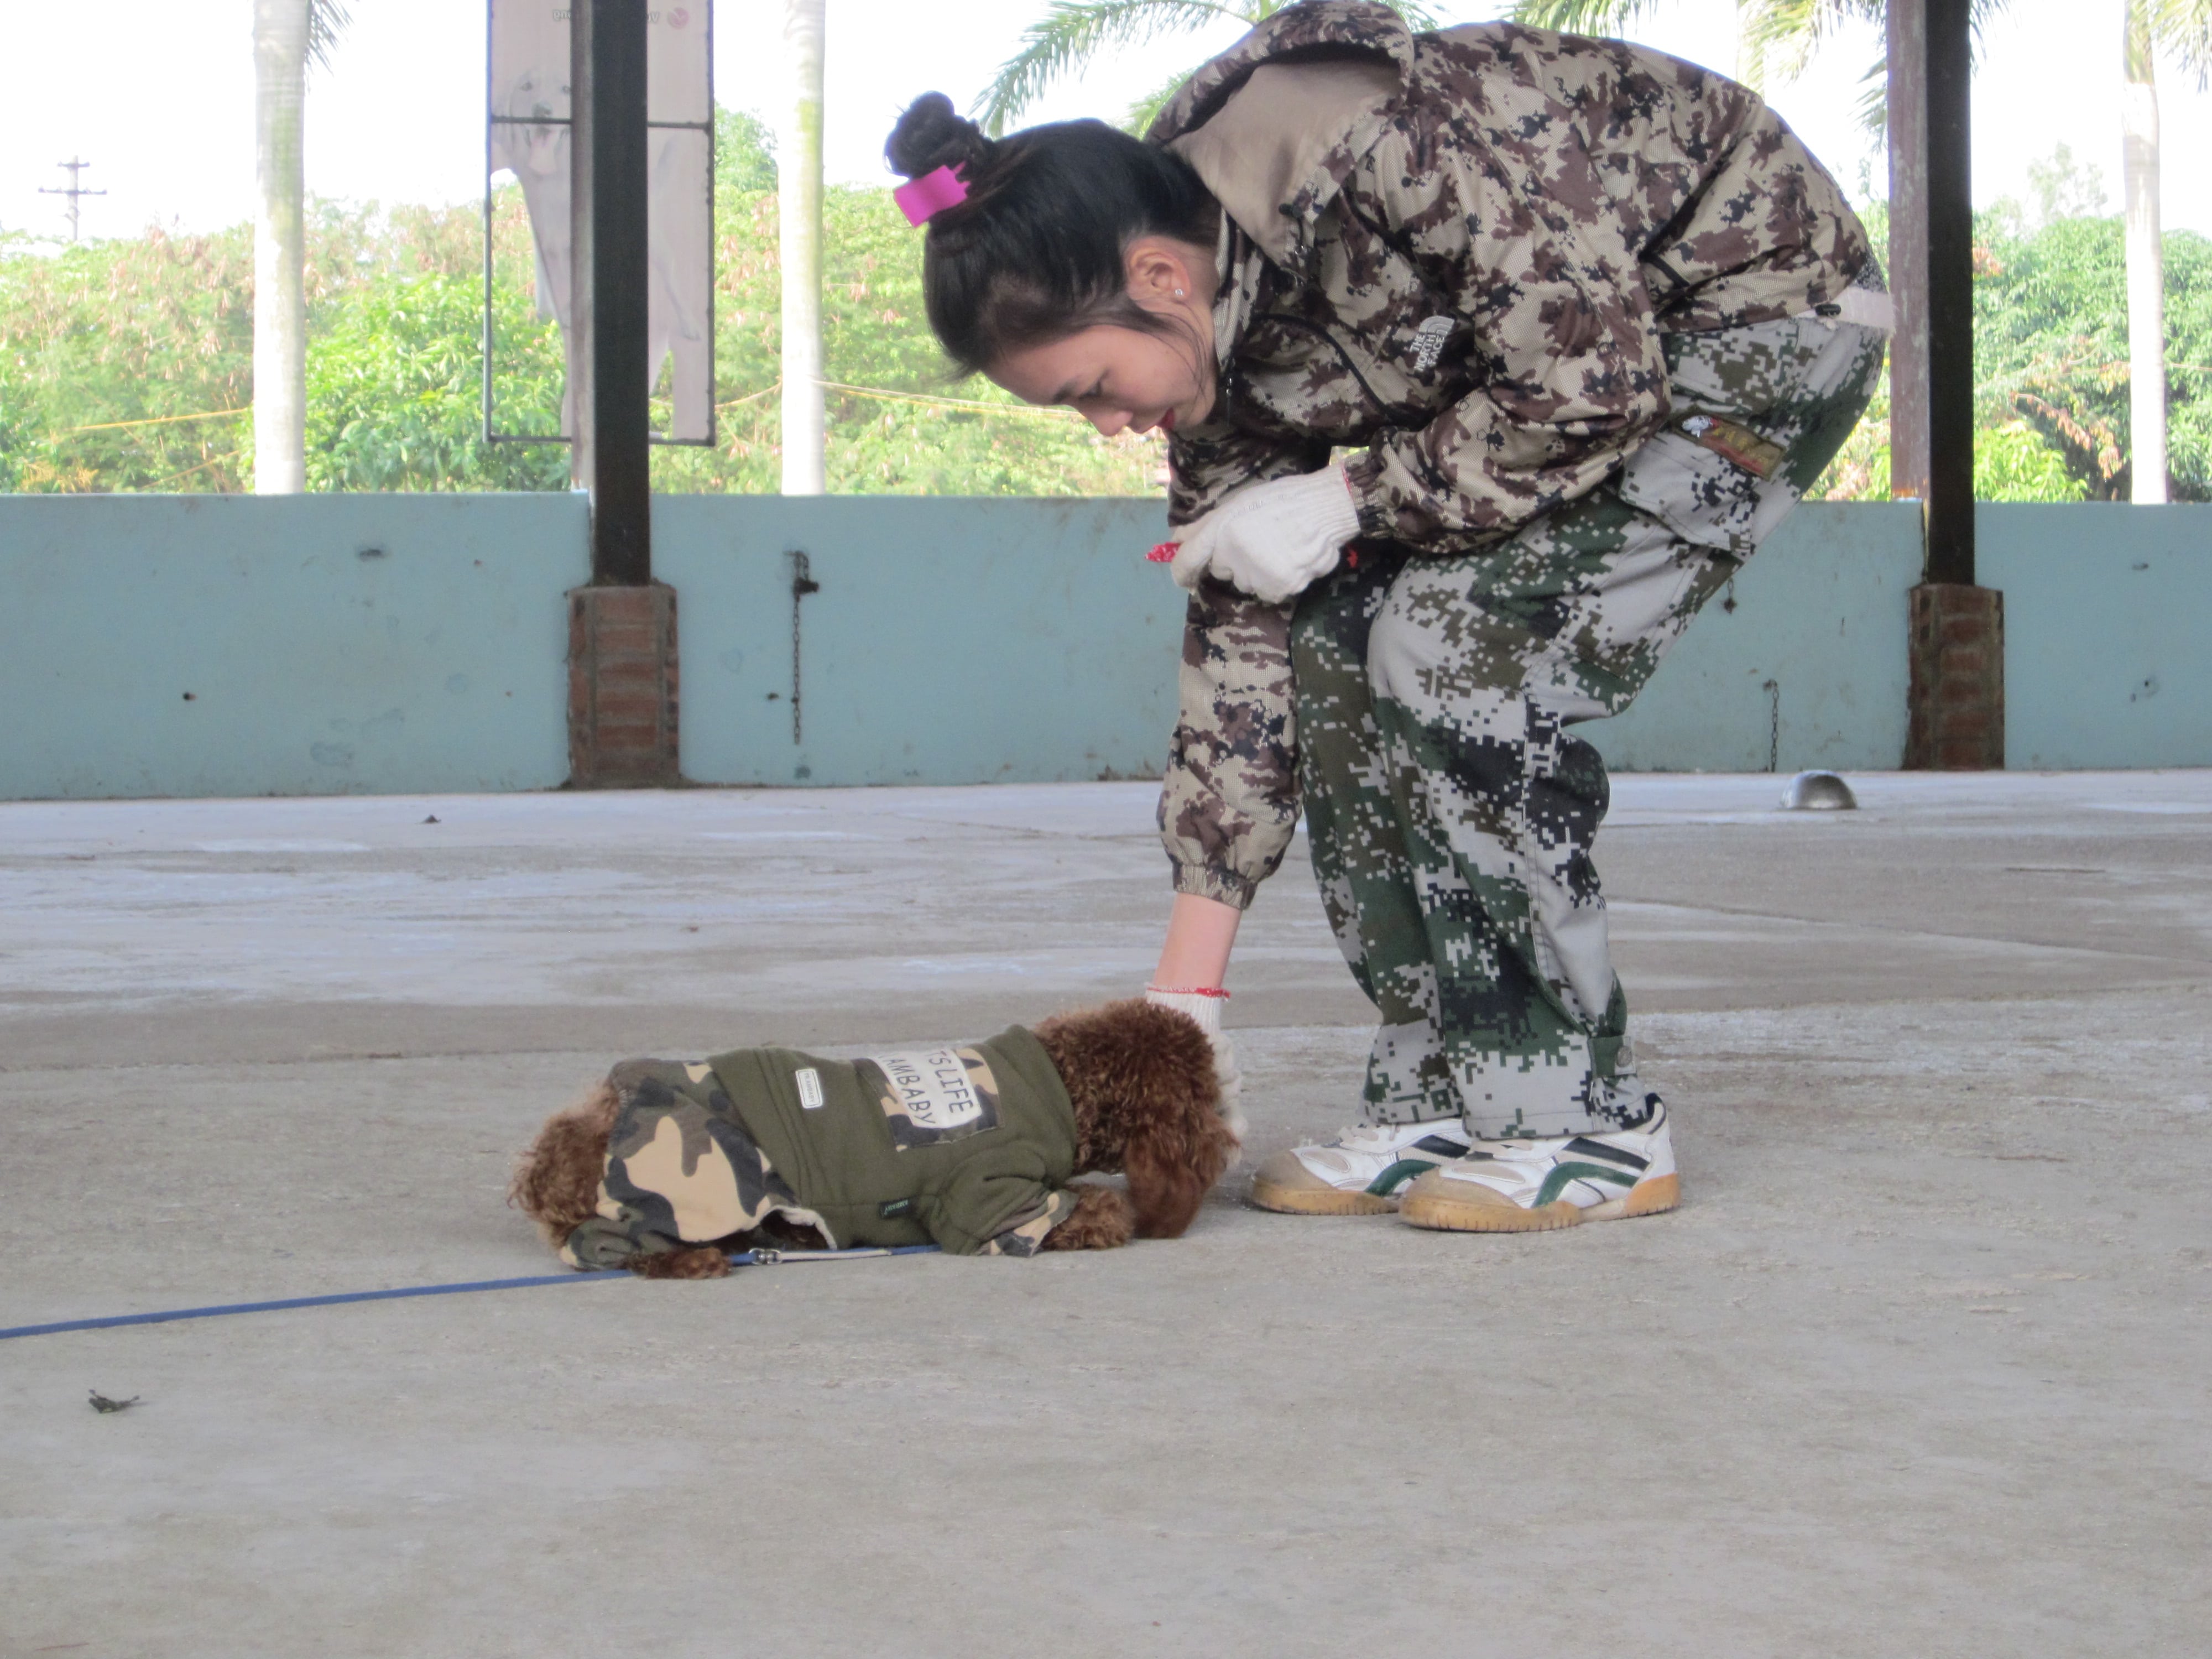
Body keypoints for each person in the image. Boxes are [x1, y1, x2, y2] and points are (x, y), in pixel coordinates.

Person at [883, 0, 1888, 1233]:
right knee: (1333, 643)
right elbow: (1242, 648)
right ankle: (1445, 1090)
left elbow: (1591, 381)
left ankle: (1576, 1124)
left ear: (1156, 278)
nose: (1107, 425)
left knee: (1459, 650)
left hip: (1752, 325)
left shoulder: (1376, 147)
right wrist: (1181, 1000)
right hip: (1549, 396)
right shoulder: (1211, 356)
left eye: (1094, 387)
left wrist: (1352, 489)